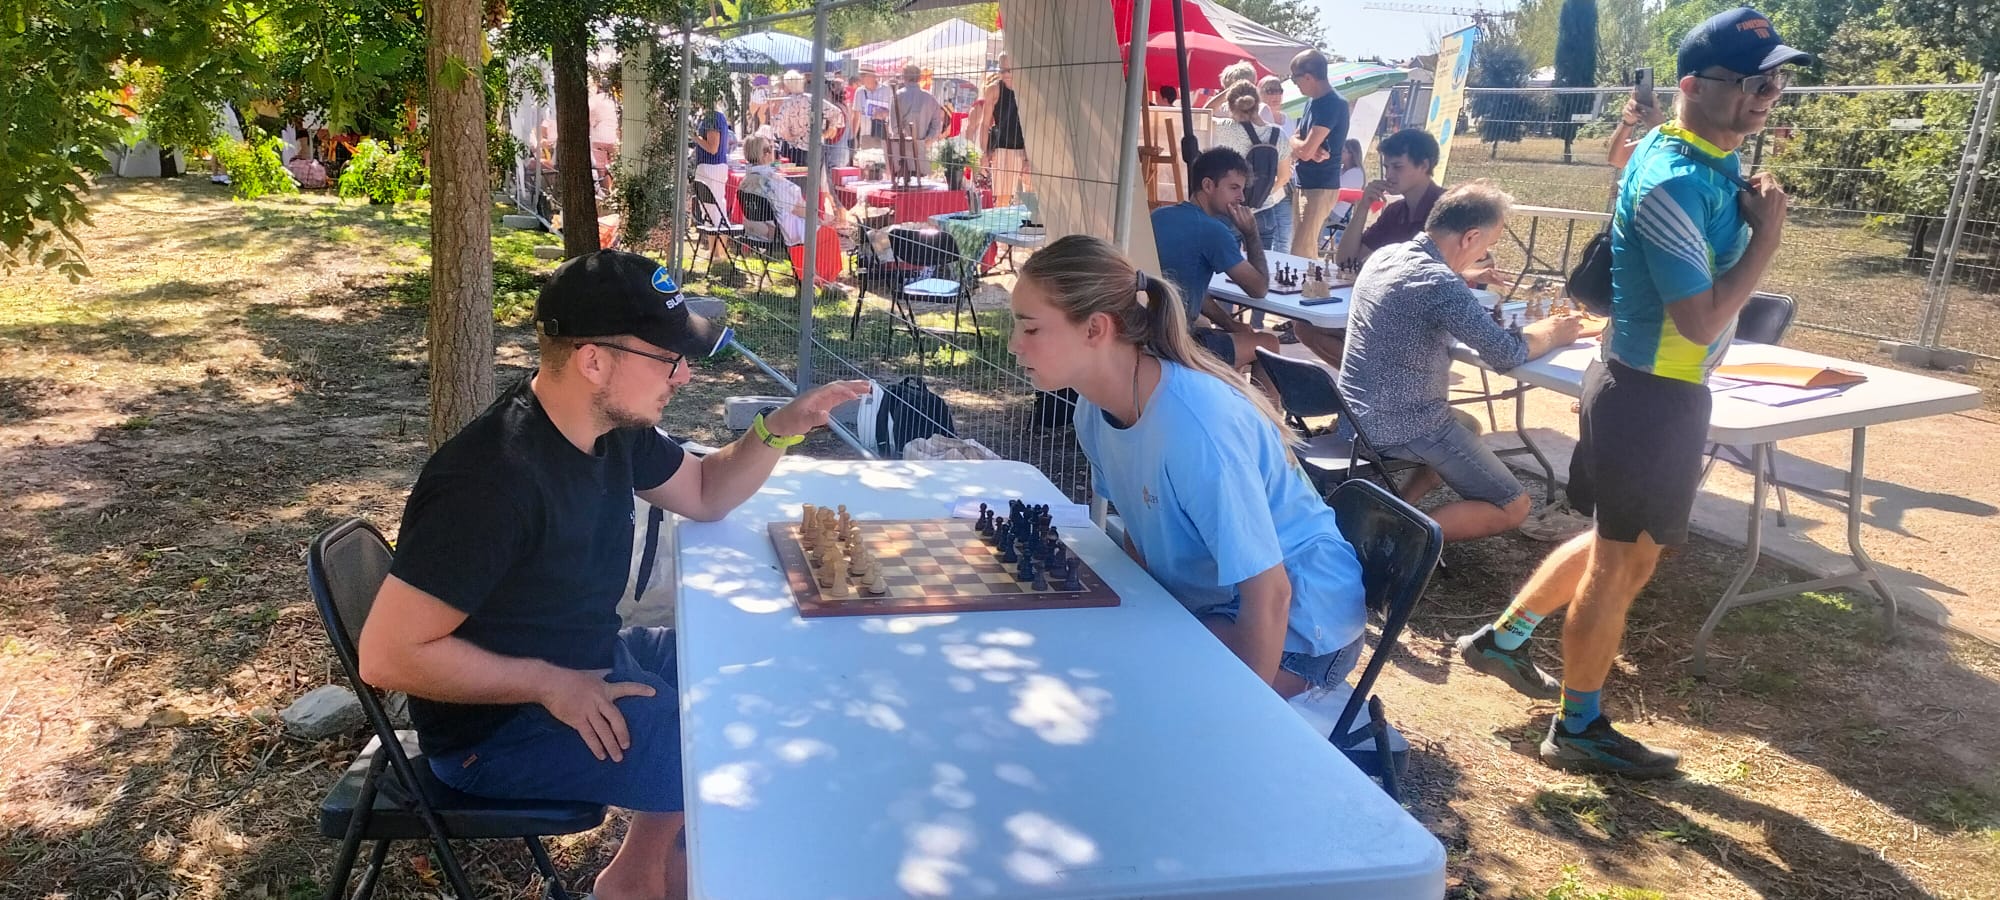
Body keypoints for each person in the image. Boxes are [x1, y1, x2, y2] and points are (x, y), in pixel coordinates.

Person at [358, 249, 870, 900]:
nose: (683, 375)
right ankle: (665, 880)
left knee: (745, 670)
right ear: (594, 361)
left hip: (589, 659)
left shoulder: (608, 427)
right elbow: (386, 655)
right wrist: (550, 685)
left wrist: (779, 429)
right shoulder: (488, 483)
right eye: (666, 358)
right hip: (500, 730)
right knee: (730, 760)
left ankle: (633, 876)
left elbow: (705, 490)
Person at [1453, 6, 1800, 778]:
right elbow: (1700, 317)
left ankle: (1504, 639)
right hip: (1650, 394)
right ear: (1693, 86)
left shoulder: (1698, 156)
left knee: (1623, 545)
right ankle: (1577, 728)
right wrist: (1768, 238)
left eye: (1774, 83)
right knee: (1622, 567)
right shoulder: (1675, 178)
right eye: (1750, 83)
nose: (1766, 96)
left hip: (1656, 387)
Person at [1008, 235, 1368, 698]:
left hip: (1303, 628)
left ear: (1095, 329)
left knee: (1140, 694)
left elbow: (1271, 594)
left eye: (1030, 329)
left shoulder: (1196, 428)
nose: (1014, 345)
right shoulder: (1091, 409)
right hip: (1220, 605)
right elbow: (1139, 531)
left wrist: (1241, 713)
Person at [1338, 181, 1585, 543]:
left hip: (1355, 417)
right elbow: (1506, 353)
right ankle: (1398, 540)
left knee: (1468, 425)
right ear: (1470, 237)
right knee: (1514, 506)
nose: (1486, 254)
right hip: (1405, 425)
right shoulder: (1440, 283)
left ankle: (1392, 510)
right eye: (1488, 245)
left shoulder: (1385, 256)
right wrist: (1552, 333)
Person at [1294, 128, 1448, 368]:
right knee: (1306, 328)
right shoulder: (1395, 211)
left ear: (1424, 165)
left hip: (1423, 318)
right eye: (1386, 167)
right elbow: (1345, 261)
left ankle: (1376, 379)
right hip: (1388, 310)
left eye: (1398, 167)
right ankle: (1374, 380)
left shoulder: (1448, 209)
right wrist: (1362, 207)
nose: (1389, 175)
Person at [1149, 147, 1282, 373]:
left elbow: (1189, 291)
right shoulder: (1214, 231)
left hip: (1150, 329)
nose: (1241, 198)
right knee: (1267, 344)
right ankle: (1258, 399)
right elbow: (1258, 289)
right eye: (1234, 188)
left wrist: (1230, 324)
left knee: (1222, 332)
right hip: (1176, 342)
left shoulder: (1159, 215)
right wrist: (1251, 233)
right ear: (1208, 185)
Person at [1206, 81, 1294, 254]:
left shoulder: (1226, 128)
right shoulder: (1279, 134)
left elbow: (1204, 113)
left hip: (1231, 210)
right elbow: (1284, 177)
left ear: (1230, 105)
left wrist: (1227, 91)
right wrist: (1264, 194)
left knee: (1229, 265)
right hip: (1264, 210)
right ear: (1258, 102)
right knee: (1260, 265)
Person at [1287, 49, 1351, 258]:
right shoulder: (1312, 102)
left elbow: (1305, 151)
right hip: (1305, 183)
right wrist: (1301, 146)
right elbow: (1295, 139)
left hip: (1320, 186)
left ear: (1308, 77)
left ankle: (1308, 281)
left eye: (1295, 79)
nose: (1295, 85)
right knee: (1302, 249)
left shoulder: (1332, 104)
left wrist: (1302, 147)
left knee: (1301, 252)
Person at [965, 53, 1030, 206]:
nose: (1005, 74)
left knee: (1030, 196)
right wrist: (984, 152)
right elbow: (985, 124)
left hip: (1026, 148)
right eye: (1002, 70)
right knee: (1003, 200)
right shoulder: (994, 90)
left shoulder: (1026, 89)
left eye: (1009, 70)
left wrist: (1028, 156)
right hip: (1003, 148)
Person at [892, 63, 945, 176]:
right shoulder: (930, 98)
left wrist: (902, 139)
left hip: (903, 148)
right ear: (920, 78)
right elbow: (937, 124)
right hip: (923, 147)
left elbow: (894, 126)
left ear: (904, 77)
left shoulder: (898, 96)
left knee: (902, 180)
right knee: (922, 180)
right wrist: (929, 139)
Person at [691, 102, 733, 228]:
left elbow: (712, 148)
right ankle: (715, 241)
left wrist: (694, 136)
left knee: (715, 214)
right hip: (711, 168)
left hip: (711, 168)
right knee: (710, 215)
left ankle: (720, 240)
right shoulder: (713, 117)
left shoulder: (712, 118)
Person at [852, 65, 894, 156]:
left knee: (884, 161)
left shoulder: (887, 90)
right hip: (866, 135)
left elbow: (894, 112)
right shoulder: (859, 92)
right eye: (860, 75)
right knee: (867, 162)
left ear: (872, 76)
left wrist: (884, 113)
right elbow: (856, 116)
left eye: (863, 75)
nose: (860, 78)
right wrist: (853, 137)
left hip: (884, 134)